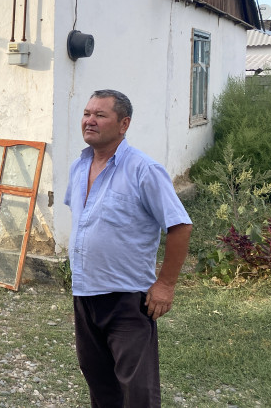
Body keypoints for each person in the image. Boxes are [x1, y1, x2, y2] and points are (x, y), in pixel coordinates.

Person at [64, 89, 192, 408]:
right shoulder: (79, 167)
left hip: (127, 300)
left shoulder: (143, 169)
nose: (89, 120)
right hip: (85, 294)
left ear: (124, 124)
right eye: (87, 113)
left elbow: (180, 226)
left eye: (100, 115)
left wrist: (165, 285)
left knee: (138, 393)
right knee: (100, 385)